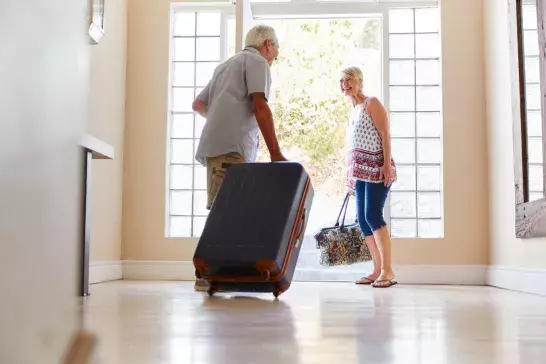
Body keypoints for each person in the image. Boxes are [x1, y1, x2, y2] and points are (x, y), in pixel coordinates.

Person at [191, 24, 287, 291]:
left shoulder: (226, 65)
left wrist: (222, 118)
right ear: (267, 44)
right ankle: (208, 273)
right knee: (227, 210)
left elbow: (198, 104)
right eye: (276, 48)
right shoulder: (257, 62)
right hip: (231, 146)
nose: (276, 55)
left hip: (215, 146)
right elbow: (260, 106)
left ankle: (221, 272)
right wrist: (276, 152)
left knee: (222, 208)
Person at [340, 66, 398, 288]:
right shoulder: (353, 110)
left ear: (359, 82)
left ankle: (387, 270)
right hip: (360, 172)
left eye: (349, 80)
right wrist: (350, 177)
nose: (345, 84)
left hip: (377, 168)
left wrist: (385, 165)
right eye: (342, 81)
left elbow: (385, 134)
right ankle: (376, 269)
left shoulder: (371, 103)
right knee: (363, 220)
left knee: (373, 215)